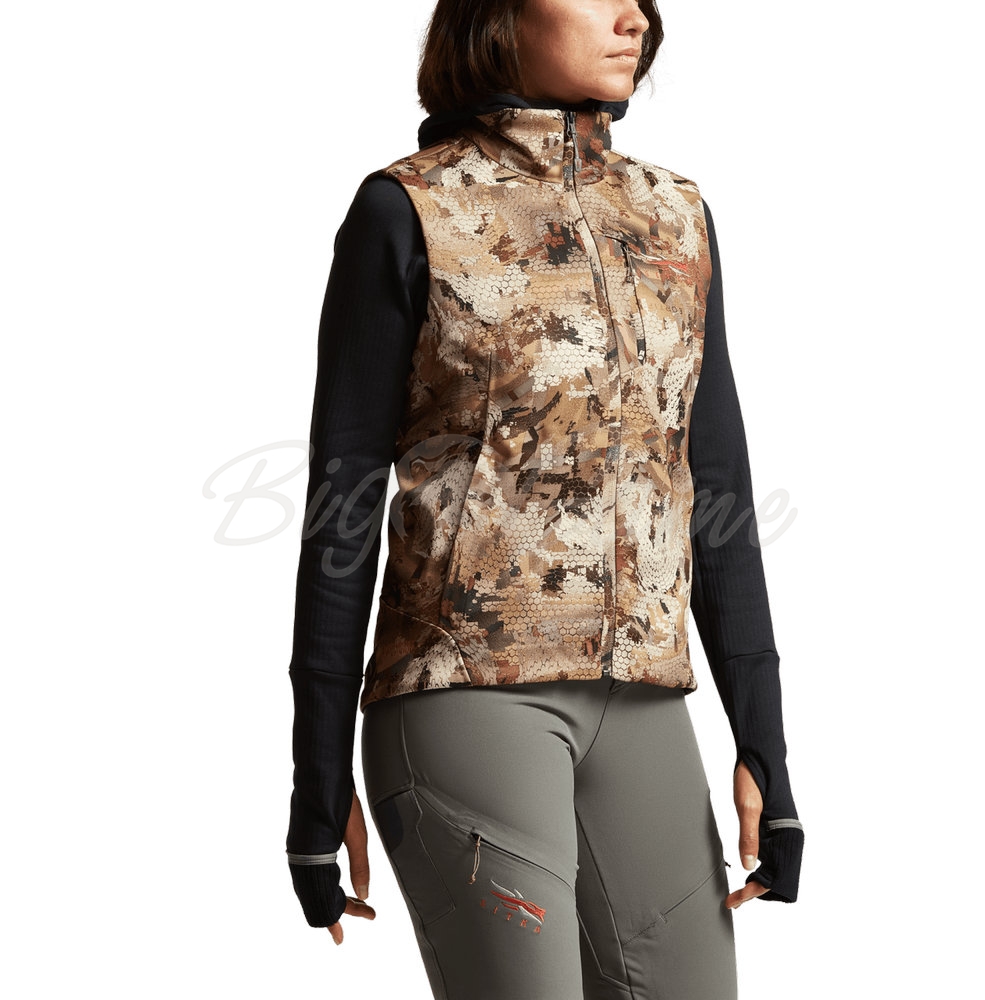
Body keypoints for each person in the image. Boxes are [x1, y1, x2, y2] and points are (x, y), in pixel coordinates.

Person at [284, 1, 804, 996]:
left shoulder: (673, 213)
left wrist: (763, 747)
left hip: (644, 699)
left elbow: (715, 486)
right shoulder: (411, 208)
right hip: (465, 690)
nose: (633, 17)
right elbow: (340, 500)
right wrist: (317, 772)